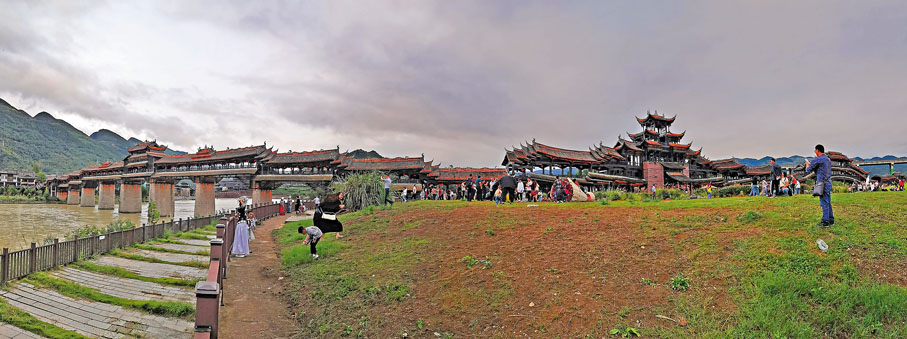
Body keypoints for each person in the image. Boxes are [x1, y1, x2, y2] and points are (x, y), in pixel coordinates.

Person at [805, 144, 834, 227]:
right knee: (828, 202)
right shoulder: (828, 159)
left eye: (815, 150)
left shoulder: (818, 159)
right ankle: (831, 219)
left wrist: (807, 164)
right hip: (828, 182)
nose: (815, 152)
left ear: (817, 150)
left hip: (822, 184)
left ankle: (825, 221)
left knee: (824, 202)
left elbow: (808, 170)